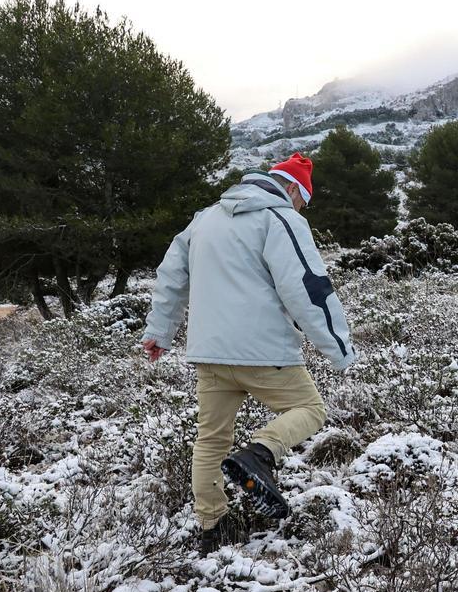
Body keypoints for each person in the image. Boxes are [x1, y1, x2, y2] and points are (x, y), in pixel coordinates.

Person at [141, 153, 356, 555]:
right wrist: (339, 348)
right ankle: (260, 452)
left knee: (210, 441)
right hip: (263, 352)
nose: (300, 209)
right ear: (293, 188)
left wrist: (160, 331)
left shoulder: (204, 219)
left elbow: (171, 275)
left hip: (209, 353)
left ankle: (212, 529)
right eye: (302, 202)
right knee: (311, 409)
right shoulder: (281, 218)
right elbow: (307, 288)